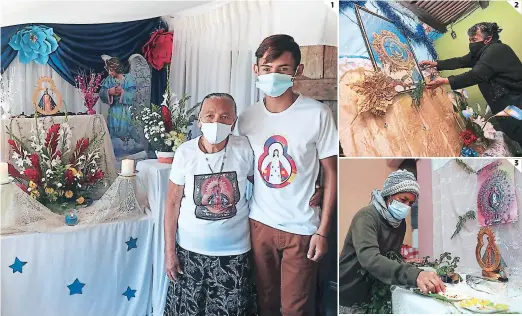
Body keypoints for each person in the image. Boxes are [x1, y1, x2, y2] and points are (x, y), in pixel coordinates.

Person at [238, 34, 338, 316]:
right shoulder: (246, 118)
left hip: (302, 227)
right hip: (259, 225)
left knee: (295, 308)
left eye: (283, 69)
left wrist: (323, 231)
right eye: (267, 68)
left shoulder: (317, 114)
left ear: (298, 71)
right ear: (256, 70)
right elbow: (246, 169)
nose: (273, 75)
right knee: (265, 304)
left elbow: (332, 172)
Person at [163, 93, 256, 316]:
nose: (217, 122)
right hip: (190, 252)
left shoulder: (244, 149)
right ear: (199, 121)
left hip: (235, 253)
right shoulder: (185, 153)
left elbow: (264, 184)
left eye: (225, 117)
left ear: (234, 123)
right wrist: (169, 252)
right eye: (210, 115)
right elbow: (172, 203)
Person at [338, 170, 445, 313]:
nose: (407, 206)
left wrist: (407, 263)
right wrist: (415, 275)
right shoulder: (366, 217)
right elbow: (370, 259)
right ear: (389, 195)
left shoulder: (400, 223)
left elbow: (390, 255)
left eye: (411, 203)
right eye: (403, 199)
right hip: (351, 292)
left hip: (375, 292)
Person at [420, 22, 522, 147]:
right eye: (470, 40)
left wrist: (445, 81)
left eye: (474, 39)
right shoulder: (480, 53)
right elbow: (460, 61)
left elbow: (475, 75)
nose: (471, 44)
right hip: (505, 107)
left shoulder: (496, 50)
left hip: (517, 104)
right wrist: (436, 64)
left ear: (488, 39)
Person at [99, 56, 142, 156]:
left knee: (125, 129)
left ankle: (128, 151)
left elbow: (133, 95)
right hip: (114, 110)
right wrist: (109, 91)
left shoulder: (128, 79)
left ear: (117, 68)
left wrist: (123, 92)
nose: (109, 73)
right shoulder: (109, 80)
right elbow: (102, 93)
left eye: (111, 70)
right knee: (114, 131)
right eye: (108, 70)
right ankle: (116, 151)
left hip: (126, 110)